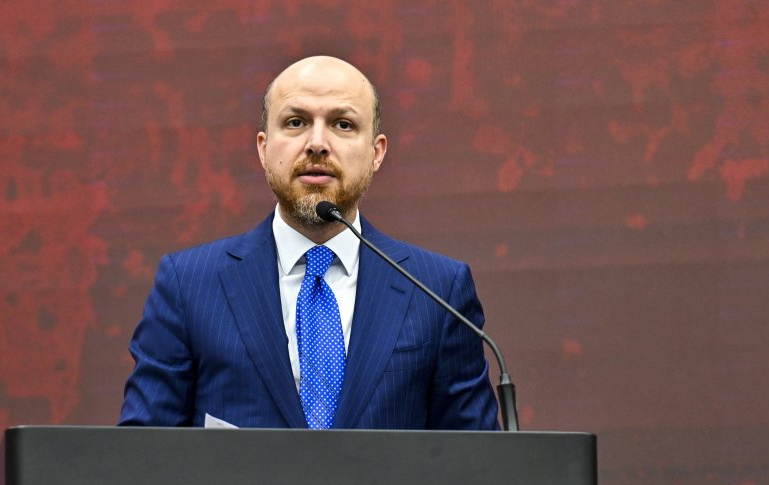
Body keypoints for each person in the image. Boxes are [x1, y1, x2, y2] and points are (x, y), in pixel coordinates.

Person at [118, 55, 499, 430]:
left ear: (376, 153)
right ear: (264, 148)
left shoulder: (439, 291)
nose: (317, 143)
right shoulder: (188, 284)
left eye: (343, 124)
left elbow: (477, 469)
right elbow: (141, 461)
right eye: (296, 122)